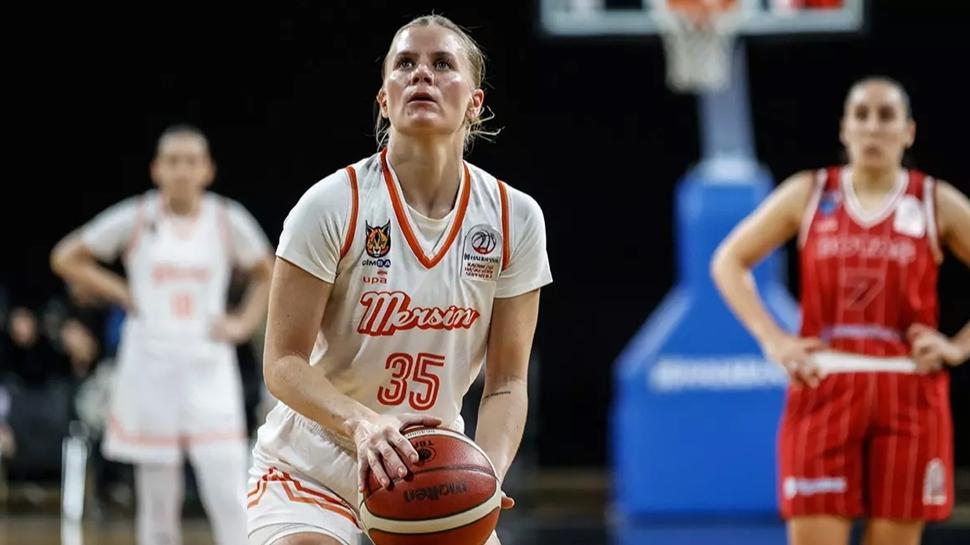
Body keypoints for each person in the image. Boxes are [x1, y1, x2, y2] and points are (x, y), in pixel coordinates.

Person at [245, 14, 552, 545]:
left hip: (429, 471)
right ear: (384, 99)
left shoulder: (513, 218)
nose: (422, 74)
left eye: (442, 64)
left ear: (475, 102)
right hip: (314, 465)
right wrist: (361, 423)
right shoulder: (332, 205)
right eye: (405, 63)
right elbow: (282, 363)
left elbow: (506, 381)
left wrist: (485, 475)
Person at [711, 77, 970, 545]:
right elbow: (728, 261)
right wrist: (773, 339)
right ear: (844, 129)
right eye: (861, 115)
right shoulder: (809, 193)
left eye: (886, 116)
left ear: (908, 131)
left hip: (909, 388)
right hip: (824, 383)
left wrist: (958, 346)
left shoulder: (935, 201)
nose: (873, 127)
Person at [51, 125, 274, 545]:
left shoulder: (226, 219)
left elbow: (268, 270)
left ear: (207, 169)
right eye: (173, 161)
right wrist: (122, 291)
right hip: (150, 366)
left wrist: (243, 323)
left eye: (191, 161)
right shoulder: (136, 216)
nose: (182, 170)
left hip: (208, 366)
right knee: (156, 502)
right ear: (156, 169)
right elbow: (65, 257)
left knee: (229, 491)